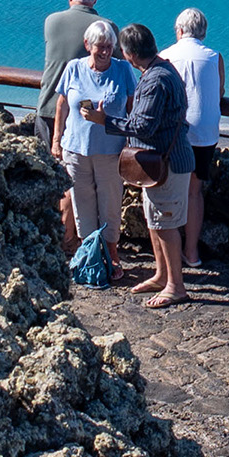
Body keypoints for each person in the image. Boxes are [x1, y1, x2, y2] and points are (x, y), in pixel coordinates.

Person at [111, 24, 191, 309]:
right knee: (155, 221)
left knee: (166, 224)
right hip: (159, 165)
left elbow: (143, 126)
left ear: (130, 54)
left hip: (166, 164)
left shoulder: (156, 79)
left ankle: (175, 286)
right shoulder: (161, 70)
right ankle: (161, 275)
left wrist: (105, 121)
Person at [54, 20, 134, 282]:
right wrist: (56, 140)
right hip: (76, 148)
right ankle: (90, 253)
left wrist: (131, 139)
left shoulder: (123, 70)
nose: (105, 52)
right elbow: (62, 105)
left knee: (110, 201)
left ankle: (112, 252)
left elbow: (132, 107)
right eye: (100, 46)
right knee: (81, 201)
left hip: (111, 150)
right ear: (88, 45)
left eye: (110, 46)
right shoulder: (74, 68)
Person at [161, 8, 223, 278]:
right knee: (194, 191)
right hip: (205, 132)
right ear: (203, 32)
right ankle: (192, 252)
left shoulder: (165, 56)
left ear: (179, 31)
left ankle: (167, 258)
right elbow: (219, 91)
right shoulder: (214, 57)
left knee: (167, 192)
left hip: (175, 132)